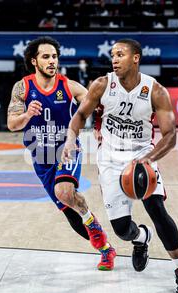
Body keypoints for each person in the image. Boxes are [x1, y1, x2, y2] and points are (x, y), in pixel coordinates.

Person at [62, 39, 178, 293]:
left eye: (120, 54)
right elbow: (80, 116)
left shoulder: (156, 91)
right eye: (112, 55)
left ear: (136, 58)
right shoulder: (102, 84)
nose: (114, 59)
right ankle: (141, 238)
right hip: (111, 160)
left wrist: (148, 159)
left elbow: (170, 136)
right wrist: (71, 137)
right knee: (122, 230)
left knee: (157, 208)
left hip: (142, 155)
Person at [7, 36, 116, 271]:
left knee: (64, 191)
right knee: (72, 215)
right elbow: (12, 124)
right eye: (46, 56)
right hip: (40, 158)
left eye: (54, 56)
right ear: (34, 61)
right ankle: (106, 248)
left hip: (67, 149)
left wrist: (98, 128)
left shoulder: (70, 86)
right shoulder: (22, 87)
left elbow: (98, 107)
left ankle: (95, 230)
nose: (51, 61)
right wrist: (26, 116)